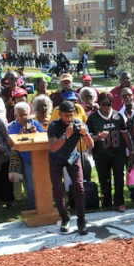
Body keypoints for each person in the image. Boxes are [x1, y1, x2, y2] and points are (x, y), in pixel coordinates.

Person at [46, 100, 92, 234]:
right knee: (58, 189)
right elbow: (53, 147)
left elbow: (90, 146)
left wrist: (85, 134)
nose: (69, 119)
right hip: (56, 159)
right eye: (66, 116)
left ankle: (81, 219)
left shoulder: (79, 124)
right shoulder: (54, 126)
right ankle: (65, 218)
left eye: (71, 115)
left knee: (79, 186)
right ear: (60, 114)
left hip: (72, 158)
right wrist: (66, 135)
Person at [87, 92, 132, 211]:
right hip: (101, 153)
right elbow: (88, 136)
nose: (106, 107)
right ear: (99, 104)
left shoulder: (117, 116)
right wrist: (97, 137)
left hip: (118, 152)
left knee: (118, 176)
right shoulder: (93, 118)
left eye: (109, 104)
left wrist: (130, 149)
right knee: (104, 178)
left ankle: (119, 202)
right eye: (104, 104)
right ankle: (107, 201)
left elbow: (124, 133)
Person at [7, 102, 44, 212]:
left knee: (42, 182)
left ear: (30, 113)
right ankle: (33, 208)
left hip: (38, 158)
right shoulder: (13, 126)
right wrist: (20, 133)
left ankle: (43, 205)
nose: (24, 117)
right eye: (21, 115)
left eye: (25, 114)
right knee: (31, 185)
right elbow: (10, 142)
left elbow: (44, 137)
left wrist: (36, 132)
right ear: (16, 115)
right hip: (26, 159)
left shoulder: (35, 124)